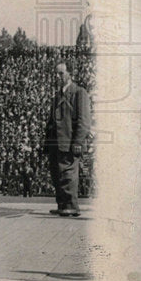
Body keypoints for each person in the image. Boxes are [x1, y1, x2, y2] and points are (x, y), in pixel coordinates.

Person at [43, 60, 91, 217]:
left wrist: (78, 142)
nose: (58, 76)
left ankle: (71, 205)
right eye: (56, 73)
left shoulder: (79, 93)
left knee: (68, 174)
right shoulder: (57, 95)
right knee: (57, 174)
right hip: (55, 143)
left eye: (61, 73)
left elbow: (84, 121)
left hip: (69, 142)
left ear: (70, 74)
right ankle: (62, 204)